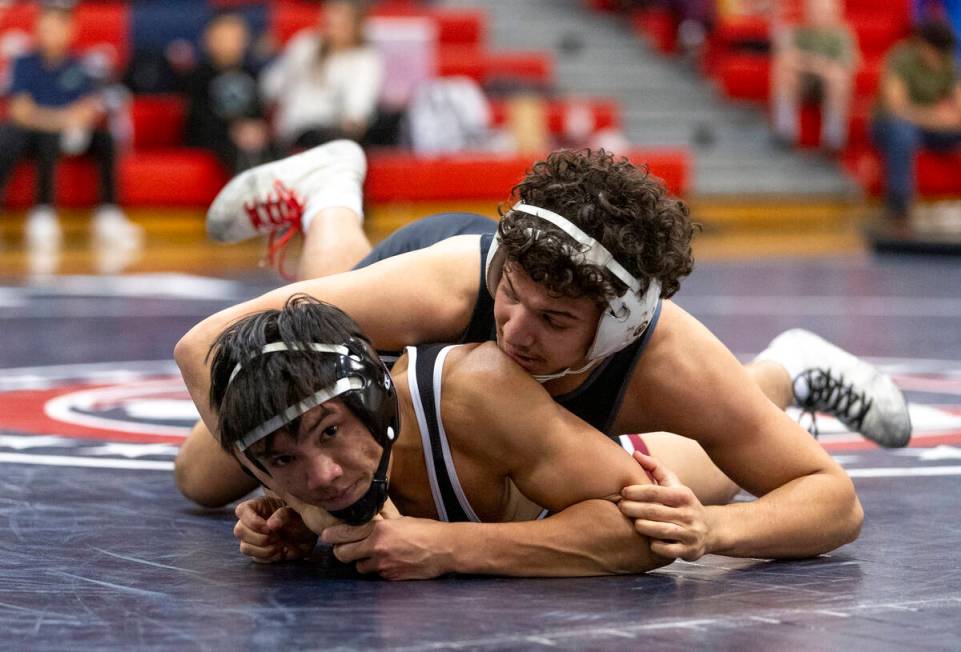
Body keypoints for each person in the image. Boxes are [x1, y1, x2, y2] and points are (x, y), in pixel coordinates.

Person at [175, 141, 907, 565]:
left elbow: (832, 503)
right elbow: (203, 345)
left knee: (670, 485)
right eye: (512, 294)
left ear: (620, 323)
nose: (515, 330)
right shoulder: (450, 284)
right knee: (203, 476)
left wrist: (715, 530)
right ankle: (334, 192)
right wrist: (305, 496)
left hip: (546, 414)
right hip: (417, 310)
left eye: (553, 318)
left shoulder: (668, 361)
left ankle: (783, 373)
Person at [210, 294, 682, 578]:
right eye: (283, 461)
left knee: (731, 423)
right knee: (196, 477)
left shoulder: (471, 391)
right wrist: (302, 518)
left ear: (373, 400)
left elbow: (648, 533)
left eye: (330, 432)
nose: (324, 476)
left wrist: (446, 547)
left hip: (645, 452)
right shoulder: (302, 456)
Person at [0, 0, 141, 250]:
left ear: (70, 29)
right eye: (44, 26)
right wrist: (58, 120)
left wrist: (56, 118)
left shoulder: (82, 64)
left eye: (56, 26)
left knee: (105, 140)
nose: (49, 32)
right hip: (32, 137)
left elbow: (88, 110)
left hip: (72, 134)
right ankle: (42, 214)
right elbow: (19, 111)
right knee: (25, 137)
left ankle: (108, 214)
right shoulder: (24, 62)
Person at [259, 0, 384, 152]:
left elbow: (357, 111)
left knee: (346, 143)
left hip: (335, 134)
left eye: (340, 16)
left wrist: (351, 125)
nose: (332, 21)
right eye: (329, 16)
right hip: (295, 131)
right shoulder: (305, 44)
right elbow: (271, 87)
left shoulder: (365, 59)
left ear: (355, 23)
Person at [870, 19, 961, 222]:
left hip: (929, 126)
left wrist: (943, 119)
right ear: (923, 46)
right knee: (902, 132)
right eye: (934, 53)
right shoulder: (901, 58)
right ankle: (899, 208)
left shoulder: (948, 62)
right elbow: (896, 108)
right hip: (888, 125)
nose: (938, 59)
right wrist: (936, 117)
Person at [181, 13, 273, 174]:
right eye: (223, 38)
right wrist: (233, 130)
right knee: (240, 152)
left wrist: (257, 128)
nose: (230, 44)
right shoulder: (199, 75)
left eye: (235, 38)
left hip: (246, 134)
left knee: (273, 149)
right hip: (213, 136)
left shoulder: (251, 74)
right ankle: (245, 196)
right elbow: (198, 116)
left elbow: (256, 109)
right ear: (208, 40)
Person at [770, 0, 860, 153]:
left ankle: (834, 139)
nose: (818, 15)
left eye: (823, 11)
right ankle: (785, 133)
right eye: (815, 10)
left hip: (829, 86)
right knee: (785, 73)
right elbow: (787, 59)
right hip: (804, 83)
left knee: (838, 79)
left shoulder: (843, 35)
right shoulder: (798, 31)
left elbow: (846, 67)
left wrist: (808, 62)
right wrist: (820, 65)